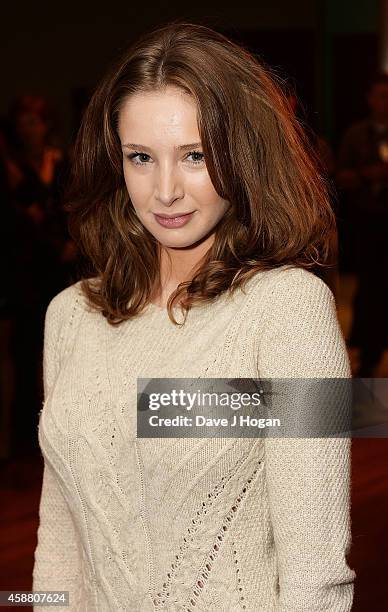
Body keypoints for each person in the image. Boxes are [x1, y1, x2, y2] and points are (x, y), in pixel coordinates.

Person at [32, 22, 356, 611]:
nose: (165, 190)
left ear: (242, 157)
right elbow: (60, 531)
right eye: (140, 157)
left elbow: (317, 571)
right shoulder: (69, 316)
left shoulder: (290, 311)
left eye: (194, 156)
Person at [336, 72, 388, 377]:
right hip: (367, 222)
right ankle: (367, 353)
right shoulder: (356, 134)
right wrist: (370, 175)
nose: (385, 102)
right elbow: (339, 177)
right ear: (370, 99)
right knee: (369, 286)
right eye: (380, 95)